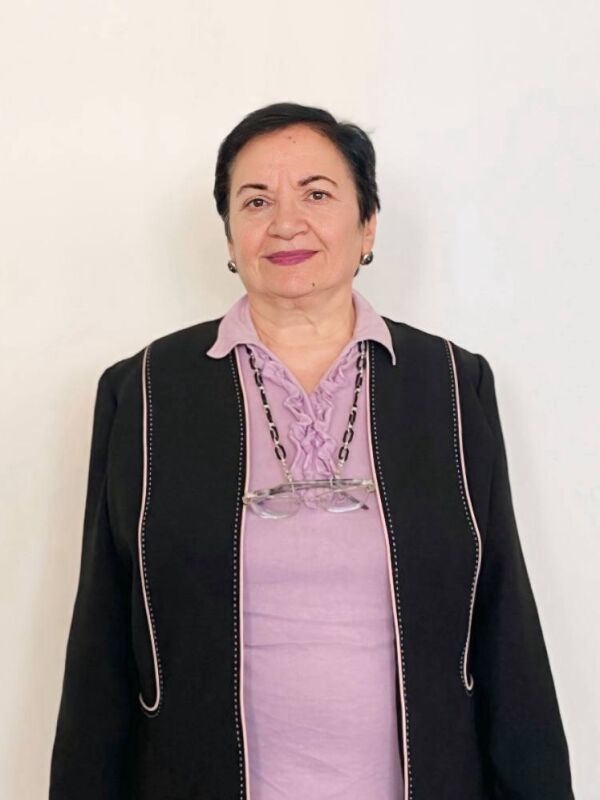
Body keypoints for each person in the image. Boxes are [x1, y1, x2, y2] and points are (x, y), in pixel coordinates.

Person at [49, 102, 575, 799]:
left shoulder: (451, 384)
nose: (285, 223)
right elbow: (101, 643)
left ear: (368, 224)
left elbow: (505, 623)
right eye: (256, 200)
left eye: (317, 194)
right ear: (230, 236)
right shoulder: (144, 391)